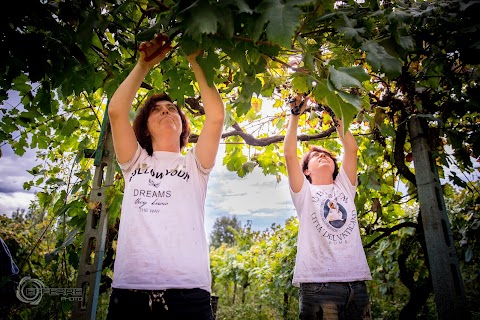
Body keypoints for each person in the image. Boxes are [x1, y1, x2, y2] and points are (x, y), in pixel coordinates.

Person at [106, 34, 225, 319]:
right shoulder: (135, 162)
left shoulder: (195, 166)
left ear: (183, 125)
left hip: (189, 294)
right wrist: (143, 66)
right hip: (131, 293)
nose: (166, 112)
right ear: (145, 128)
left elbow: (217, 117)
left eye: (172, 109)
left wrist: (196, 61)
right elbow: (116, 111)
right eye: (157, 110)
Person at [283, 95, 372, 319]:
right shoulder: (304, 192)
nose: (323, 155)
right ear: (306, 171)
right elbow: (289, 155)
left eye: (327, 155)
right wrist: (295, 116)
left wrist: (333, 110)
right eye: (315, 156)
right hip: (318, 283)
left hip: (356, 283)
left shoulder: (344, 187)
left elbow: (351, 149)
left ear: (334, 167)